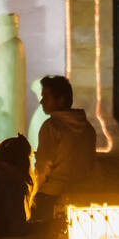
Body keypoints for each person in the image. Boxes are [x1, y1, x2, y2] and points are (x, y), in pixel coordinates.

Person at [32, 75, 97, 223]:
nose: (42, 101)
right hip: (83, 194)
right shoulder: (88, 129)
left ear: (61, 99)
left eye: (46, 97)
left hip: (52, 196)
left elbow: (43, 166)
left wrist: (33, 194)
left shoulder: (52, 127)